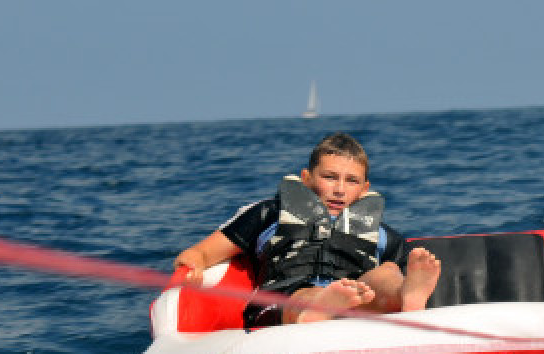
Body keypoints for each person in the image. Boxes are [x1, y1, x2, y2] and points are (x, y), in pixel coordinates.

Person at [175, 132, 441, 324]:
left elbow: (406, 270)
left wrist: (403, 281)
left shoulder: (380, 234)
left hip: (354, 299)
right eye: (329, 177)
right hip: (284, 302)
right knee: (306, 296)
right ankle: (320, 308)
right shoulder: (271, 214)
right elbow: (200, 253)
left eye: (351, 181)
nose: (339, 189)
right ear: (306, 178)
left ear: (364, 189)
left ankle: (406, 298)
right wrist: (193, 267)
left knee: (388, 271)